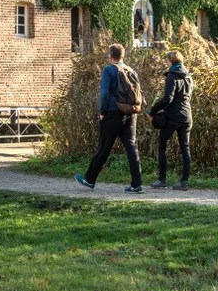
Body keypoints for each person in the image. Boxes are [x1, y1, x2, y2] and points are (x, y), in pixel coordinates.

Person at [75, 44, 144, 193]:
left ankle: (90, 179)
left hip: (113, 112)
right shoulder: (131, 70)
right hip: (130, 113)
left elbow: (105, 94)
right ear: (122, 55)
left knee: (104, 147)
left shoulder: (109, 70)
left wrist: (102, 111)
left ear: (111, 55)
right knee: (132, 147)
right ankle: (137, 184)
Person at [148, 50, 193, 191]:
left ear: (171, 61)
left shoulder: (172, 77)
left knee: (162, 145)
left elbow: (168, 98)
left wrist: (152, 111)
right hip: (187, 116)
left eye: (167, 61)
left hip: (173, 116)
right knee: (185, 148)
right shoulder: (189, 77)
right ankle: (184, 181)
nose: (166, 63)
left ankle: (162, 179)